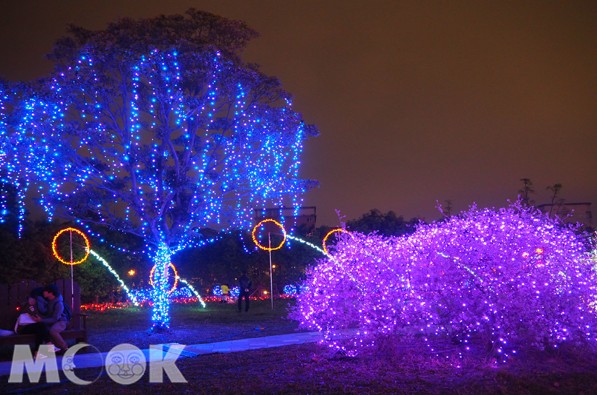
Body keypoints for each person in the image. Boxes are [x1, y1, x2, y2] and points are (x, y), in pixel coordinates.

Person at [38, 284, 70, 355]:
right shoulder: (49, 300)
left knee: (53, 331)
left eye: (45, 291)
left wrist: (42, 320)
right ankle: (53, 349)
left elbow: (55, 318)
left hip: (61, 321)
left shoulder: (59, 304)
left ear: (51, 293)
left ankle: (65, 348)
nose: (43, 292)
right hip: (52, 320)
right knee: (43, 329)